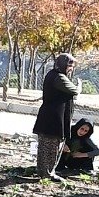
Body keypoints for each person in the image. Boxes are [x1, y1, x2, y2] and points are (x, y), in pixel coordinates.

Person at [32, 53, 78, 182]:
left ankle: (43, 171)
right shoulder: (59, 78)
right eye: (70, 66)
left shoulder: (53, 75)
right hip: (54, 119)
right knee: (52, 147)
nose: (71, 69)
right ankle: (47, 173)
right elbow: (74, 90)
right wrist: (79, 86)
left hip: (50, 117)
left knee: (46, 147)